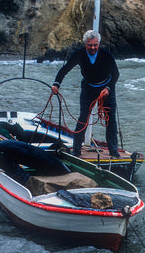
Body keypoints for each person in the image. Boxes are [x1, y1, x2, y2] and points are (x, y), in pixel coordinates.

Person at [51, 30, 120, 158]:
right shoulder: (79, 54)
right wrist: (56, 84)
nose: (93, 48)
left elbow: (116, 74)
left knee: (111, 120)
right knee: (83, 118)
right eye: (90, 45)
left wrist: (108, 89)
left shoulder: (107, 56)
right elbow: (65, 69)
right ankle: (76, 150)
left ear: (98, 44)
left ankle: (113, 151)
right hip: (88, 88)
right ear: (85, 44)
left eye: (95, 45)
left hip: (106, 88)